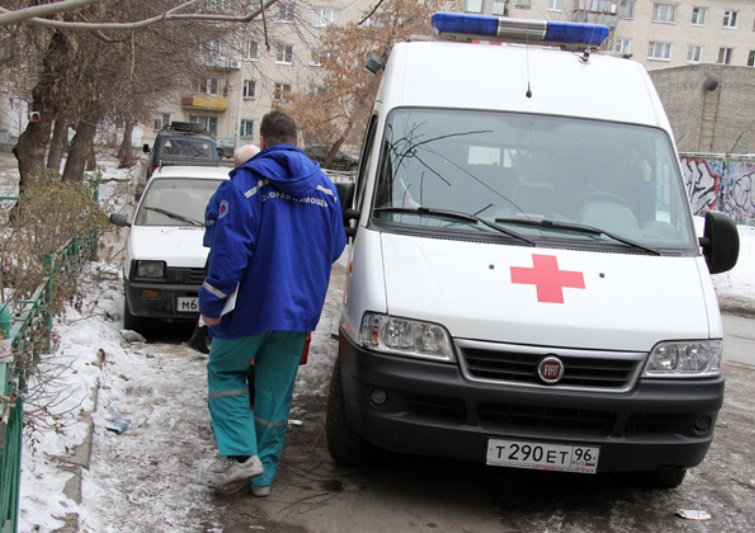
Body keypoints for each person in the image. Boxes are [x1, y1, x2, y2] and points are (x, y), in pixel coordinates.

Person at [198, 110, 346, 496]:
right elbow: (334, 247)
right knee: (275, 391)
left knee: (225, 371)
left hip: (251, 306)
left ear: (263, 142)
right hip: (299, 310)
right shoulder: (326, 188)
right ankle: (262, 479)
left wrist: (211, 304)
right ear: (297, 141)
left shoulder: (247, 182)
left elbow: (229, 252)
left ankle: (243, 455)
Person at [185, 143, 261, 355]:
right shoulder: (235, 191)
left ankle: (200, 336)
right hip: (223, 253)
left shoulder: (227, 189)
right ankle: (202, 336)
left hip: (219, 251)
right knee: (223, 296)